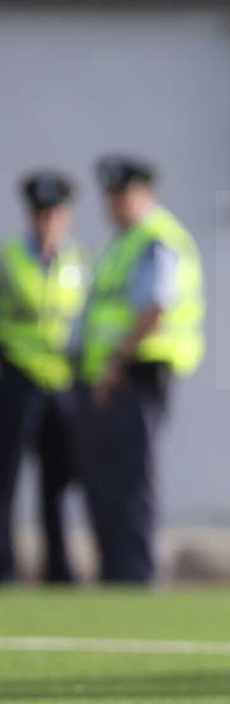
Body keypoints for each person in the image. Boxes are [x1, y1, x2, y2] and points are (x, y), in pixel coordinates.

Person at [75, 157, 204, 584]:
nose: (112, 204)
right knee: (106, 478)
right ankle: (116, 573)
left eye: (120, 195)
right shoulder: (121, 242)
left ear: (145, 194)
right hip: (112, 376)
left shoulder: (154, 239)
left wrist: (114, 364)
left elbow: (155, 306)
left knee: (131, 478)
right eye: (109, 196)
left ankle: (136, 573)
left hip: (137, 373)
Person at [0, 173, 87, 583]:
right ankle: (5, 567)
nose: (45, 221)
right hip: (16, 377)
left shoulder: (78, 263)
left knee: (58, 482)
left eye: (53, 213)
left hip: (60, 383)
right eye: (39, 213)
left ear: (66, 216)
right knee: (7, 478)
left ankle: (59, 571)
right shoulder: (10, 259)